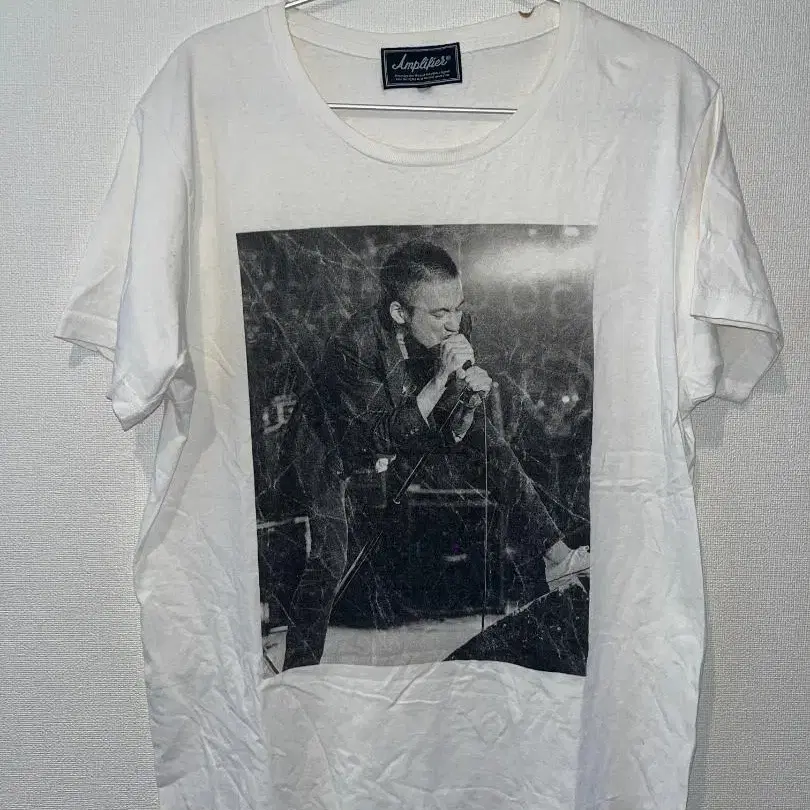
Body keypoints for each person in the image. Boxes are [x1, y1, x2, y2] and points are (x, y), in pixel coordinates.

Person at [274, 239, 589, 670]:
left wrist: (469, 401)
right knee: (330, 557)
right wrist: (441, 379)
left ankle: (558, 558)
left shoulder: (453, 326)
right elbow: (379, 436)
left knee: (491, 444)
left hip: (405, 423)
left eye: (458, 309)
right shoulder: (353, 346)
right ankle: (298, 671)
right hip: (331, 445)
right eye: (439, 314)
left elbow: (453, 435)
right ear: (399, 313)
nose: (453, 324)